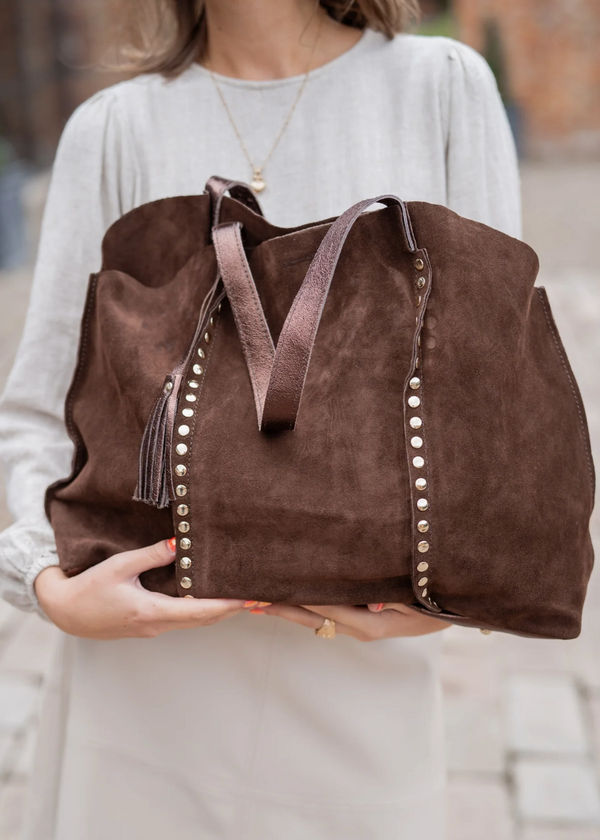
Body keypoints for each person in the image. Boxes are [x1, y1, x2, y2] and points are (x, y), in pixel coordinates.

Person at [0, 1, 521, 838]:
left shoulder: (440, 90)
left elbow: (492, 394)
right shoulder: (113, 130)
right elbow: (37, 413)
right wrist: (48, 586)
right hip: (143, 684)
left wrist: (455, 595)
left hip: (357, 683)